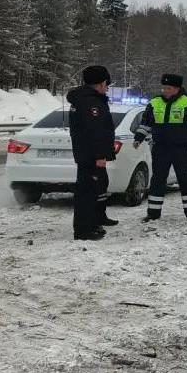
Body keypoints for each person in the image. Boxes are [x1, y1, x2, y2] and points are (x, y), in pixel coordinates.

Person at [133, 73, 187, 221]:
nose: (164, 91)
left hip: (182, 148)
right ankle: (153, 214)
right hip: (161, 148)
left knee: (186, 179)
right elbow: (146, 123)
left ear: (177, 88)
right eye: (163, 88)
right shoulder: (155, 103)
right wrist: (139, 138)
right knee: (157, 180)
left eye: (168, 88)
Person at [67, 65, 118, 241]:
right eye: (106, 84)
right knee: (86, 193)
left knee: (94, 188)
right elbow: (95, 131)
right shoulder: (91, 102)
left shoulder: (85, 99)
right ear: (101, 83)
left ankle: (94, 223)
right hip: (90, 155)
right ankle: (83, 231)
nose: (107, 87)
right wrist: (100, 156)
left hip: (86, 153)